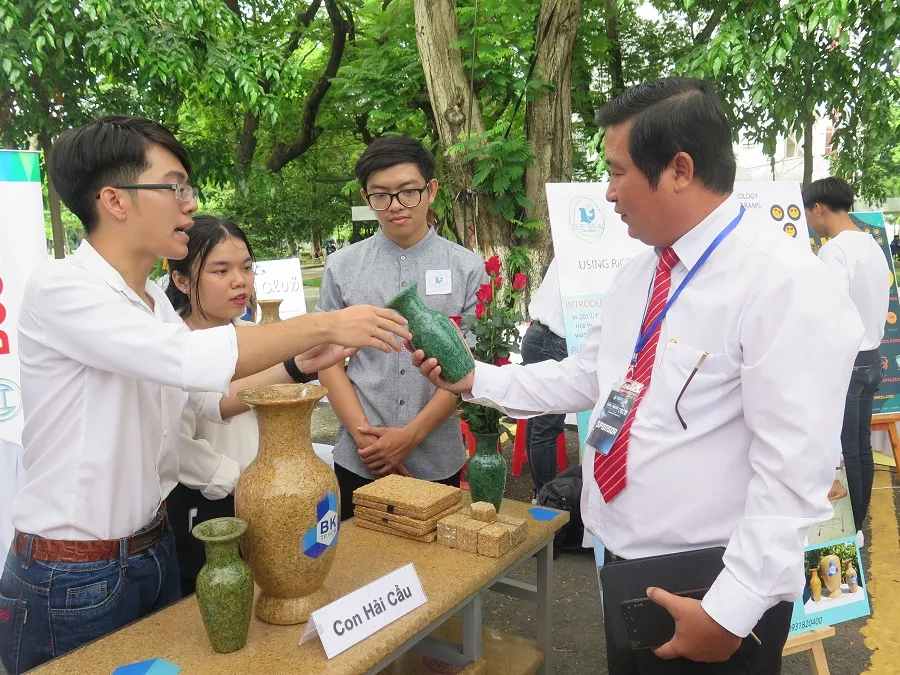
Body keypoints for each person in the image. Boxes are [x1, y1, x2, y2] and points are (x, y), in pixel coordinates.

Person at [410, 78, 862, 674]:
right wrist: (476, 382)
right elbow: (586, 378)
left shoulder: (783, 283)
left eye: (617, 172)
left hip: (711, 586)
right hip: (624, 566)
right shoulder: (639, 275)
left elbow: (795, 469)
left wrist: (730, 612)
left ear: (679, 169)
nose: (608, 192)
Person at [0, 116, 410, 674]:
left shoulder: (150, 303)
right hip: (75, 576)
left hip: (150, 552)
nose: (190, 205)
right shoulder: (63, 288)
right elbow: (189, 359)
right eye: (174, 188)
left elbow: (200, 402)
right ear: (115, 200)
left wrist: (296, 364)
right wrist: (325, 323)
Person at [317, 136, 488, 520]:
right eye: (381, 195)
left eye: (408, 192)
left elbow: (470, 366)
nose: (395, 205)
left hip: (436, 457)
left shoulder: (467, 268)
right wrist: (367, 441)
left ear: (431, 190)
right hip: (360, 458)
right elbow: (326, 361)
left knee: (433, 556)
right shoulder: (341, 267)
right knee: (357, 554)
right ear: (366, 198)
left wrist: (409, 437)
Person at [163, 215, 322, 596]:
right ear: (181, 280)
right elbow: (175, 445)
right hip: (209, 507)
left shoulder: (255, 338)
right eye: (221, 271)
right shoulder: (169, 347)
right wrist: (242, 482)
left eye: (247, 268)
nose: (240, 281)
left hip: (269, 499)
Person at [804, 177, 890, 546]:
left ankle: (851, 529)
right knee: (859, 445)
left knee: (846, 448)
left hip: (848, 361)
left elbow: (830, 312)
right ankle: (858, 524)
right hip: (872, 358)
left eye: (808, 214)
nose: (810, 223)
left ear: (818, 208)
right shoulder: (872, 245)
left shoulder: (834, 251)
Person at [520, 259, 568, 497]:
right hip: (554, 341)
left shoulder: (567, 245)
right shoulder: (594, 251)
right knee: (546, 428)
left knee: (539, 419)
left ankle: (540, 492)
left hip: (537, 334)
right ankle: (547, 498)